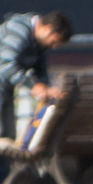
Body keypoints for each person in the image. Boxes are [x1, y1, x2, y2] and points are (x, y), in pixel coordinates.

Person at [0, 11, 73, 143]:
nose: (54, 46)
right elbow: (5, 65)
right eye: (54, 41)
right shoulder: (18, 30)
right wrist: (34, 85)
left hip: (5, 90)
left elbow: (40, 69)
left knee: (7, 137)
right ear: (46, 29)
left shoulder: (37, 43)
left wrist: (48, 89)